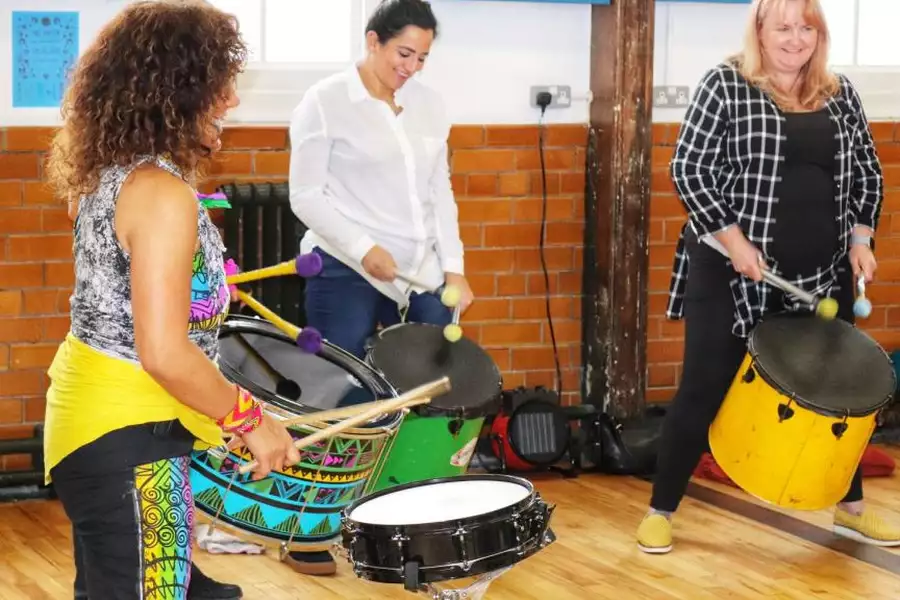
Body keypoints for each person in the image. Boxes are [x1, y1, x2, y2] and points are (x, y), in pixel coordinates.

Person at [43, 1, 300, 598]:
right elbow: (161, 351)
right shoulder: (159, 193)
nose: (231, 100)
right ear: (176, 90)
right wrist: (247, 417)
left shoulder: (119, 177)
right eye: (220, 84)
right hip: (126, 436)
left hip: (116, 428)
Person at [637, 0, 900, 554]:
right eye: (783, 26)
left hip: (825, 274)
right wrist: (733, 241)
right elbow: (688, 168)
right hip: (731, 272)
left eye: (807, 27)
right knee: (704, 387)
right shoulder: (725, 84)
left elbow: (869, 173)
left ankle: (850, 511)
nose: (795, 38)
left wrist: (860, 240)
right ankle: (661, 508)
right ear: (759, 29)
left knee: (835, 394)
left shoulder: (840, 93)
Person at [284, 0, 473, 576]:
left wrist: (455, 268)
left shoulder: (430, 104)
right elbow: (306, 196)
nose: (412, 66)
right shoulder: (325, 102)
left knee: (432, 388)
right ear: (373, 41)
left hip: (419, 268)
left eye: (422, 56)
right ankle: (308, 528)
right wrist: (365, 248)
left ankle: (414, 515)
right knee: (341, 390)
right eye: (403, 53)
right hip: (345, 263)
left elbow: (439, 190)